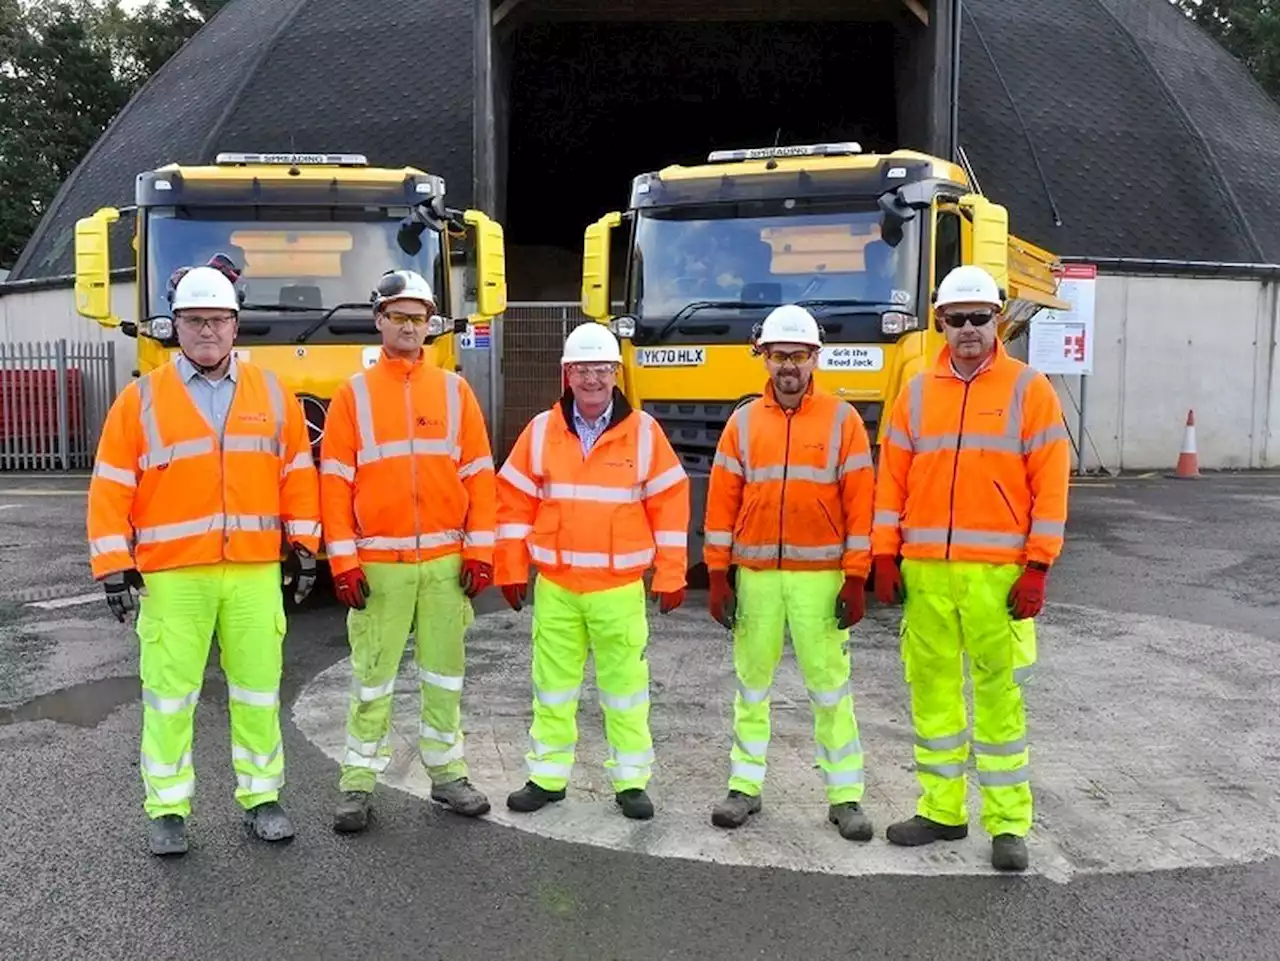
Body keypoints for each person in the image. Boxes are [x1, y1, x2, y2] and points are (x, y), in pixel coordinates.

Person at [87, 264, 320, 856]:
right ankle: (166, 807)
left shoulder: (272, 395)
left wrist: (307, 545)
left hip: (251, 571)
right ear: (177, 327)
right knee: (169, 695)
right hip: (174, 575)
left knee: (258, 689)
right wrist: (113, 563)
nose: (207, 331)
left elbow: (297, 474)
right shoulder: (140, 399)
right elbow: (111, 486)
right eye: (195, 321)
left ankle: (262, 796)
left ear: (235, 325)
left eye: (217, 320)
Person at [871, 264, 1071, 872]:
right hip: (928, 572)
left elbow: (1052, 486)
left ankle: (1009, 825)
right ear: (939, 324)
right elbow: (892, 481)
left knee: (999, 701)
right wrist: (885, 551)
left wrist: (1038, 565)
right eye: (956, 319)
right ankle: (941, 811)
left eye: (979, 318)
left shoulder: (1028, 389)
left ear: (998, 323)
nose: (967, 330)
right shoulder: (916, 392)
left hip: (998, 577)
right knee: (932, 696)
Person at [319, 269, 497, 832]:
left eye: (418, 318)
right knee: (373, 677)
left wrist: (480, 551)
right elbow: (334, 482)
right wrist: (343, 561)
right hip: (380, 566)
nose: (408, 327)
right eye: (398, 316)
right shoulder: (353, 395)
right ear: (379, 321)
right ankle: (357, 784)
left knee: (445, 674)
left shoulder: (453, 390)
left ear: (431, 326)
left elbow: (479, 476)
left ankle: (447, 775)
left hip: (446, 564)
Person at [494, 322, 689, 821]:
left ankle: (630, 783)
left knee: (625, 693)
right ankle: (547, 778)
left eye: (602, 368)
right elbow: (512, 503)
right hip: (557, 587)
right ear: (566, 374)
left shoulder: (644, 433)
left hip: (618, 590)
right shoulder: (540, 431)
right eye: (583, 369)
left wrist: (671, 573)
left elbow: (669, 505)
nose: (593, 379)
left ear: (616, 374)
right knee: (552, 689)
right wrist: (511, 565)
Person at [702, 304, 876, 840]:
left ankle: (844, 797)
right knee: (752, 686)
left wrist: (855, 575)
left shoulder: (843, 422)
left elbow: (860, 505)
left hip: (820, 578)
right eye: (779, 356)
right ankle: (744, 787)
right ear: (765, 359)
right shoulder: (743, 423)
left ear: (815, 359)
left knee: (829, 689)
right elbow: (722, 502)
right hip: (756, 576)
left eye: (798, 356)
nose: (789, 367)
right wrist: (716, 572)